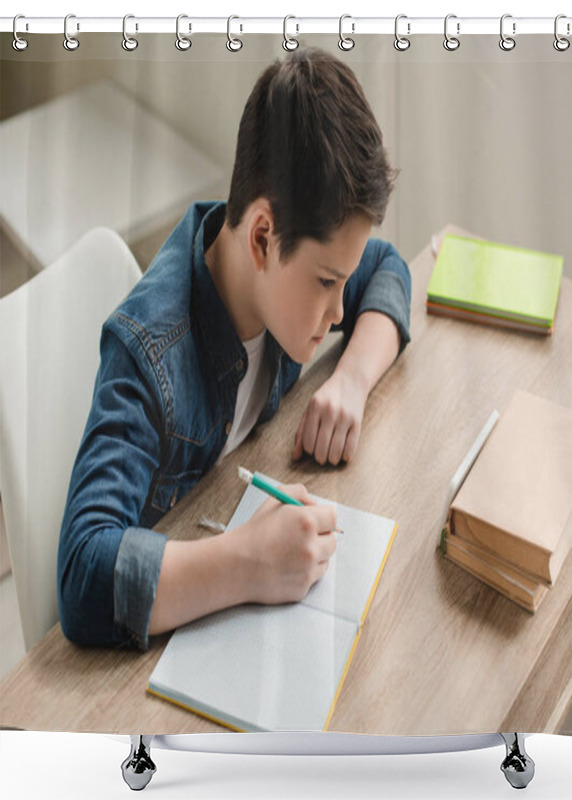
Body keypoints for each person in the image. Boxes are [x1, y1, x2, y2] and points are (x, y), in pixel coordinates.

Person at [57, 48, 411, 651]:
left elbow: (387, 268)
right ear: (263, 237)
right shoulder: (148, 354)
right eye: (328, 282)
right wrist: (248, 563)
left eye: (342, 284)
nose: (339, 311)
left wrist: (351, 378)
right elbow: (83, 576)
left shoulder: (288, 281)